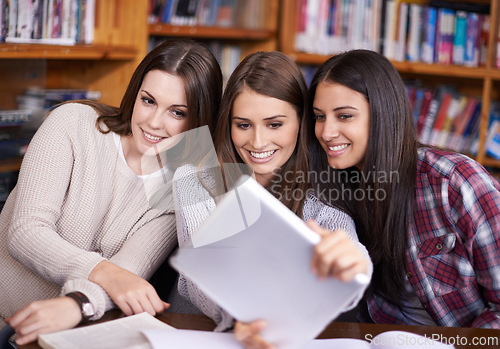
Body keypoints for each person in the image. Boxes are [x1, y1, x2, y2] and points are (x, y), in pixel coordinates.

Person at [0, 38, 223, 344]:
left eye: (177, 113)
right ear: (135, 93)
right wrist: (104, 272)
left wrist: (78, 304)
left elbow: (129, 273)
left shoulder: (179, 187)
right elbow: (25, 232)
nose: (154, 122)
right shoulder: (72, 123)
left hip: (64, 334)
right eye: (148, 100)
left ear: (199, 119)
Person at [171, 51, 372, 347]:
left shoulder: (325, 183)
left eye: (275, 124)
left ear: (301, 123)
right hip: (198, 333)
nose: (258, 142)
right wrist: (244, 318)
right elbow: (199, 279)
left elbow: (349, 250)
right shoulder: (192, 178)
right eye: (243, 125)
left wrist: (355, 265)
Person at [307, 49, 500, 329]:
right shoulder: (331, 192)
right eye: (319, 117)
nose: (326, 132)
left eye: (345, 116)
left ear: (384, 114)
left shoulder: (456, 182)